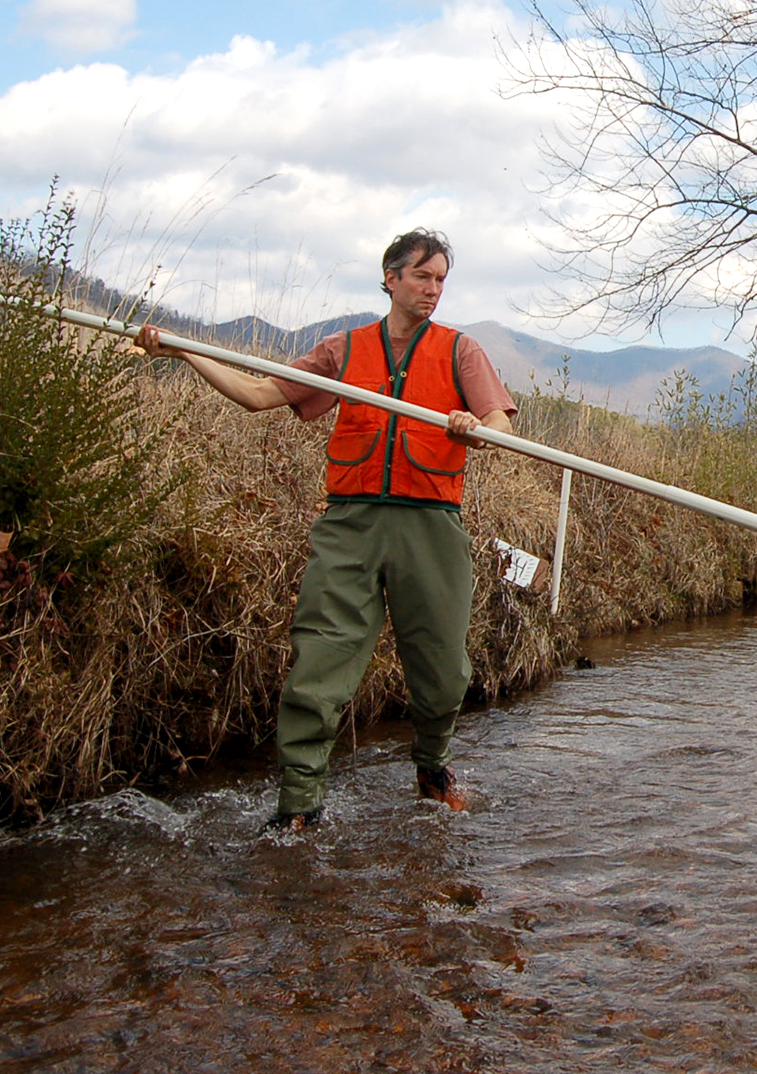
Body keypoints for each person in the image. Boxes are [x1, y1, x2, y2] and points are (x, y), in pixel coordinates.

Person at [138, 229, 517, 830]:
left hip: (431, 528)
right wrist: (185, 351)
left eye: (442, 279)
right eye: (423, 277)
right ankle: (299, 803)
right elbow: (259, 394)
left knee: (443, 672)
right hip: (350, 526)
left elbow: (500, 420)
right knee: (320, 660)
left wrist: (477, 423)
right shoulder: (343, 350)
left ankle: (432, 766)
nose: (434, 289)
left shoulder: (460, 351)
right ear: (391, 278)